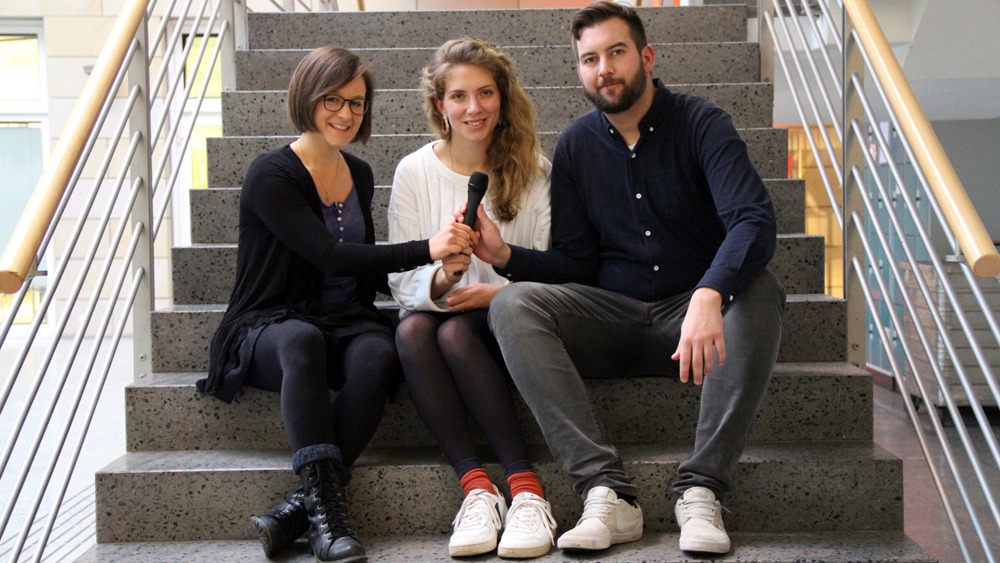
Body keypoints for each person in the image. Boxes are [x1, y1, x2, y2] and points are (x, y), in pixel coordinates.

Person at [467, 1, 785, 556]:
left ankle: (702, 488)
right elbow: (575, 264)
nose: (604, 69)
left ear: (646, 56)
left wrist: (711, 293)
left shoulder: (702, 123)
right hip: (611, 319)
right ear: (579, 71)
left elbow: (754, 219)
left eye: (616, 53)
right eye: (589, 59)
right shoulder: (576, 147)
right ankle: (606, 490)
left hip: (694, 322)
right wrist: (506, 256)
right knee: (511, 304)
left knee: (759, 288)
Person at [199, 47, 475, 563]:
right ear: (307, 97)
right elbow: (328, 255)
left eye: (357, 103)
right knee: (301, 339)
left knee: (381, 353)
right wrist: (427, 247)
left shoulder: (360, 173)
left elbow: (366, 269)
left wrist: (440, 276)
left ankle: (298, 509)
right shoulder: (271, 175)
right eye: (333, 100)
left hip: (345, 322)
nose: (347, 114)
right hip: (271, 324)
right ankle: (328, 514)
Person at [387, 38, 556, 559]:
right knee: (413, 328)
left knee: (457, 332)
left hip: (512, 324)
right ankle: (477, 490)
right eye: (458, 96)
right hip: (439, 321)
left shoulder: (535, 171)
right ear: (439, 105)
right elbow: (399, 282)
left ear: (502, 99)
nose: (473, 108)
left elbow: (552, 269)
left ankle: (527, 491)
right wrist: (441, 280)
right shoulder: (413, 171)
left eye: (485, 93)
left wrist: (495, 292)